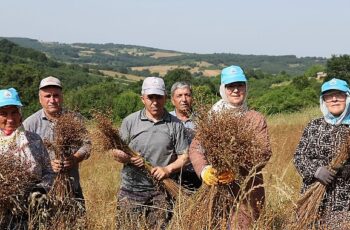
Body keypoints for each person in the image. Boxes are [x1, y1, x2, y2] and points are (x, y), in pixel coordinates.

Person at [189, 65, 272, 229]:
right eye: (230, 86)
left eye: (240, 85)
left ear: (246, 87)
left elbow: (263, 152)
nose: (235, 90)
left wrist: (235, 168)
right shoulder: (212, 118)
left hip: (247, 193)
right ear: (223, 89)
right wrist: (204, 170)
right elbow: (195, 149)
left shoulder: (255, 119)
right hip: (217, 191)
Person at [112, 77, 189, 229]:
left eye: (159, 97)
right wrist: (128, 158)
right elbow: (115, 152)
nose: (155, 101)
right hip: (131, 189)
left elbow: (184, 157)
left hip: (161, 192)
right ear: (143, 99)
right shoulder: (130, 121)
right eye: (150, 97)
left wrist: (167, 169)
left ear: (165, 98)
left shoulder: (176, 125)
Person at [23, 76, 91, 205]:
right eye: (47, 96)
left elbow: (87, 146)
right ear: (40, 99)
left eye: (56, 95)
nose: (52, 100)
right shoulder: (30, 124)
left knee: (77, 224)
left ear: (62, 97)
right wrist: (47, 164)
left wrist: (75, 158)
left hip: (71, 186)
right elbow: (25, 157)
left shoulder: (75, 119)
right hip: (41, 190)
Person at [294, 78, 350, 226]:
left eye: (339, 94)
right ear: (323, 100)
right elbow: (299, 156)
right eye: (329, 95)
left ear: (347, 97)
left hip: (345, 199)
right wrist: (316, 171)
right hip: (314, 194)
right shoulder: (314, 125)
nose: (334, 99)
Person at [0, 88, 54, 228]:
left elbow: (48, 171)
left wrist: (40, 190)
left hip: (33, 206)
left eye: (14, 112)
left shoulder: (34, 140)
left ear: (20, 115)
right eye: (3, 114)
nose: (10, 119)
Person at [169, 81, 201, 190]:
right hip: (172, 175)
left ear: (192, 98)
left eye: (187, 95)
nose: (184, 99)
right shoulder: (166, 121)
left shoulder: (202, 120)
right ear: (173, 100)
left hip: (198, 173)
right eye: (179, 96)